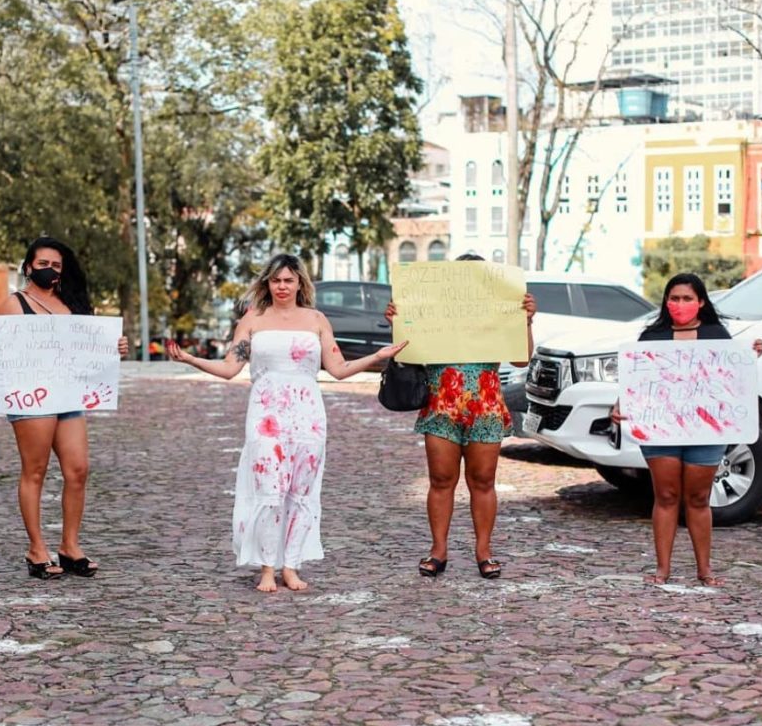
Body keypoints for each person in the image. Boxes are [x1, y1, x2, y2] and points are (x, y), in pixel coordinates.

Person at [167, 253, 406, 593]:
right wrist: (190, 358)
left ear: (299, 283)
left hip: (308, 415)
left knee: (301, 491)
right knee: (270, 488)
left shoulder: (316, 319)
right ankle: (267, 568)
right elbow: (230, 368)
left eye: (288, 280)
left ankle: (291, 566)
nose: (282, 286)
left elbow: (338, 369)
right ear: (267, 283)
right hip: (266, 415)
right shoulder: (253, 319)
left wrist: (377, 357)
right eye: (276, 280)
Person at [0, 236, 129, 580]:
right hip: (32, 397)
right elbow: (0, 347)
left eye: (56, 265)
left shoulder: (71, 304)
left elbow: (90, 350)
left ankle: (70, 546)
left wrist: (114, 347)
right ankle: (36, 548)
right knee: (35, 469)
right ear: (29, 267)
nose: (50, 270)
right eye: (43, 264)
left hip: (69, 396)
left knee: (78, 469)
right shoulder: (14, 304)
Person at [384, 255, 536, 579]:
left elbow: (521, 360)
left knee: (483, 481)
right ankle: (438, 549)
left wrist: (525, 321)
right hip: (442, 405)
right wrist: (398, 320)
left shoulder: (498, 314)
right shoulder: (436, 312)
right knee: (441, 479)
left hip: (485, 406)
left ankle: (484, 550)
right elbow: (406, 351)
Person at [611, 273, 762, 587]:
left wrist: (752, 354)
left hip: (705, 430)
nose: (680, 304)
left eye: (687, 298)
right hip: (660, 428)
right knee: (666, 495)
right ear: (666, 302)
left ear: (701, 302)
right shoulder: (652, 337)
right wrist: (620, 403)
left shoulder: (716, 335)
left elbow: (733, 375)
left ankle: (704, 570)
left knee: (698, 497)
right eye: (674, 298)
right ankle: (662, 569)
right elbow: (636, 379)